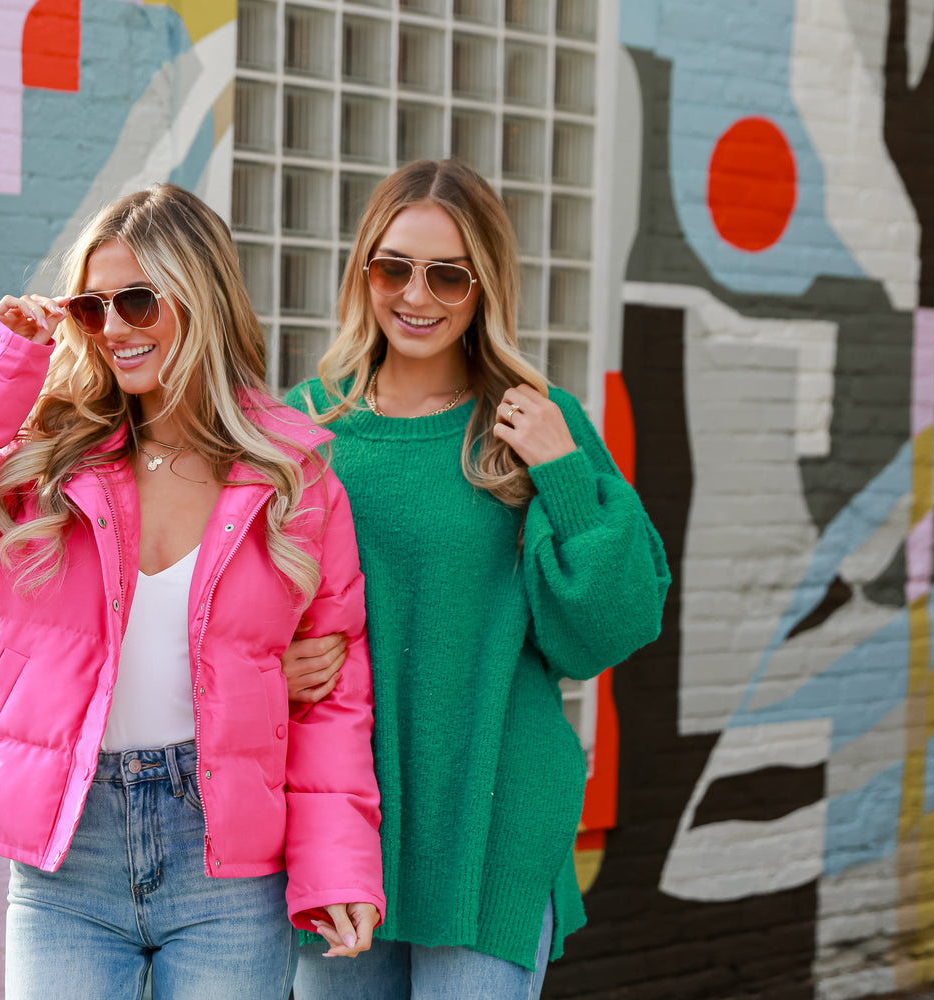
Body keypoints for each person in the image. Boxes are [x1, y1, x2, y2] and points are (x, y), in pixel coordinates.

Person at [0, 184, 384, 1000]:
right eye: (91, 308)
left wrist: (337, 865)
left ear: (200, 300)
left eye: (137, 300)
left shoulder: (295, 482)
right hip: (70, 857)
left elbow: (336, 701)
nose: (114, 328)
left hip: (227, 866)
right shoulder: (46, 469)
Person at [281, 160, 670, 1000]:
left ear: (484, 285)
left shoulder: (531, 423)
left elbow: (612, 626)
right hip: (340, 824)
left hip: (490, 820)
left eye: (448, 274)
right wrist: (271, 672)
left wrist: (562, 474)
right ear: (363, 273)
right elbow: (226, 614)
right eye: (394, 268)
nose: (416, 296)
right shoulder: (304, 425)